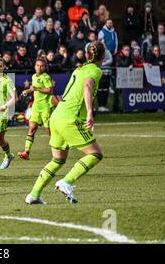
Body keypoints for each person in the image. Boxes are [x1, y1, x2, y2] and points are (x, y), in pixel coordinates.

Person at [25, 41, 106, 205]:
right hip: (70, 118)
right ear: (103, 56)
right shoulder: (95, 70)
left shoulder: (79, 68)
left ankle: (34, 194)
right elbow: (88, 86)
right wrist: (90, 111)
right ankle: (67, 182)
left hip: (57, 116)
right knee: (95, 154)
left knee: (58, 160)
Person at [17, 59, 54, 161]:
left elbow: (50, 90)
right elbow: (34, 88)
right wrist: (27, 91)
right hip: (36, 106)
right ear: (34, 66)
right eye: (37, 65)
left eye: (41, 66)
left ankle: (60, 147)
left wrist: (37, 89)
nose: (39, 67)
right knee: (32, 128)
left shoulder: (46, 77)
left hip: (46, 106)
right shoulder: (33, 76)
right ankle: (26, 152)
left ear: (44, 67)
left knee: (49, 131)